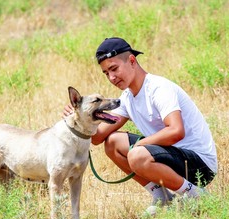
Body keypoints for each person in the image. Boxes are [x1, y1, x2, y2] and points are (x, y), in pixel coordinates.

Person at [64, 37, 217, 209]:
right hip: (173, 158)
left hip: (200, 166)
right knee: (112, 143)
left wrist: (138, 147)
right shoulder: (128, 97)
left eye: (114, 69)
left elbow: (176, 131)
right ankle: (162, 197)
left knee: (136, 155)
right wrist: (79, 117)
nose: (112, 77)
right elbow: (98, 137)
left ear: (131, 61)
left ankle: (197, 195)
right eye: (106, 73)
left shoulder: (158, 88)